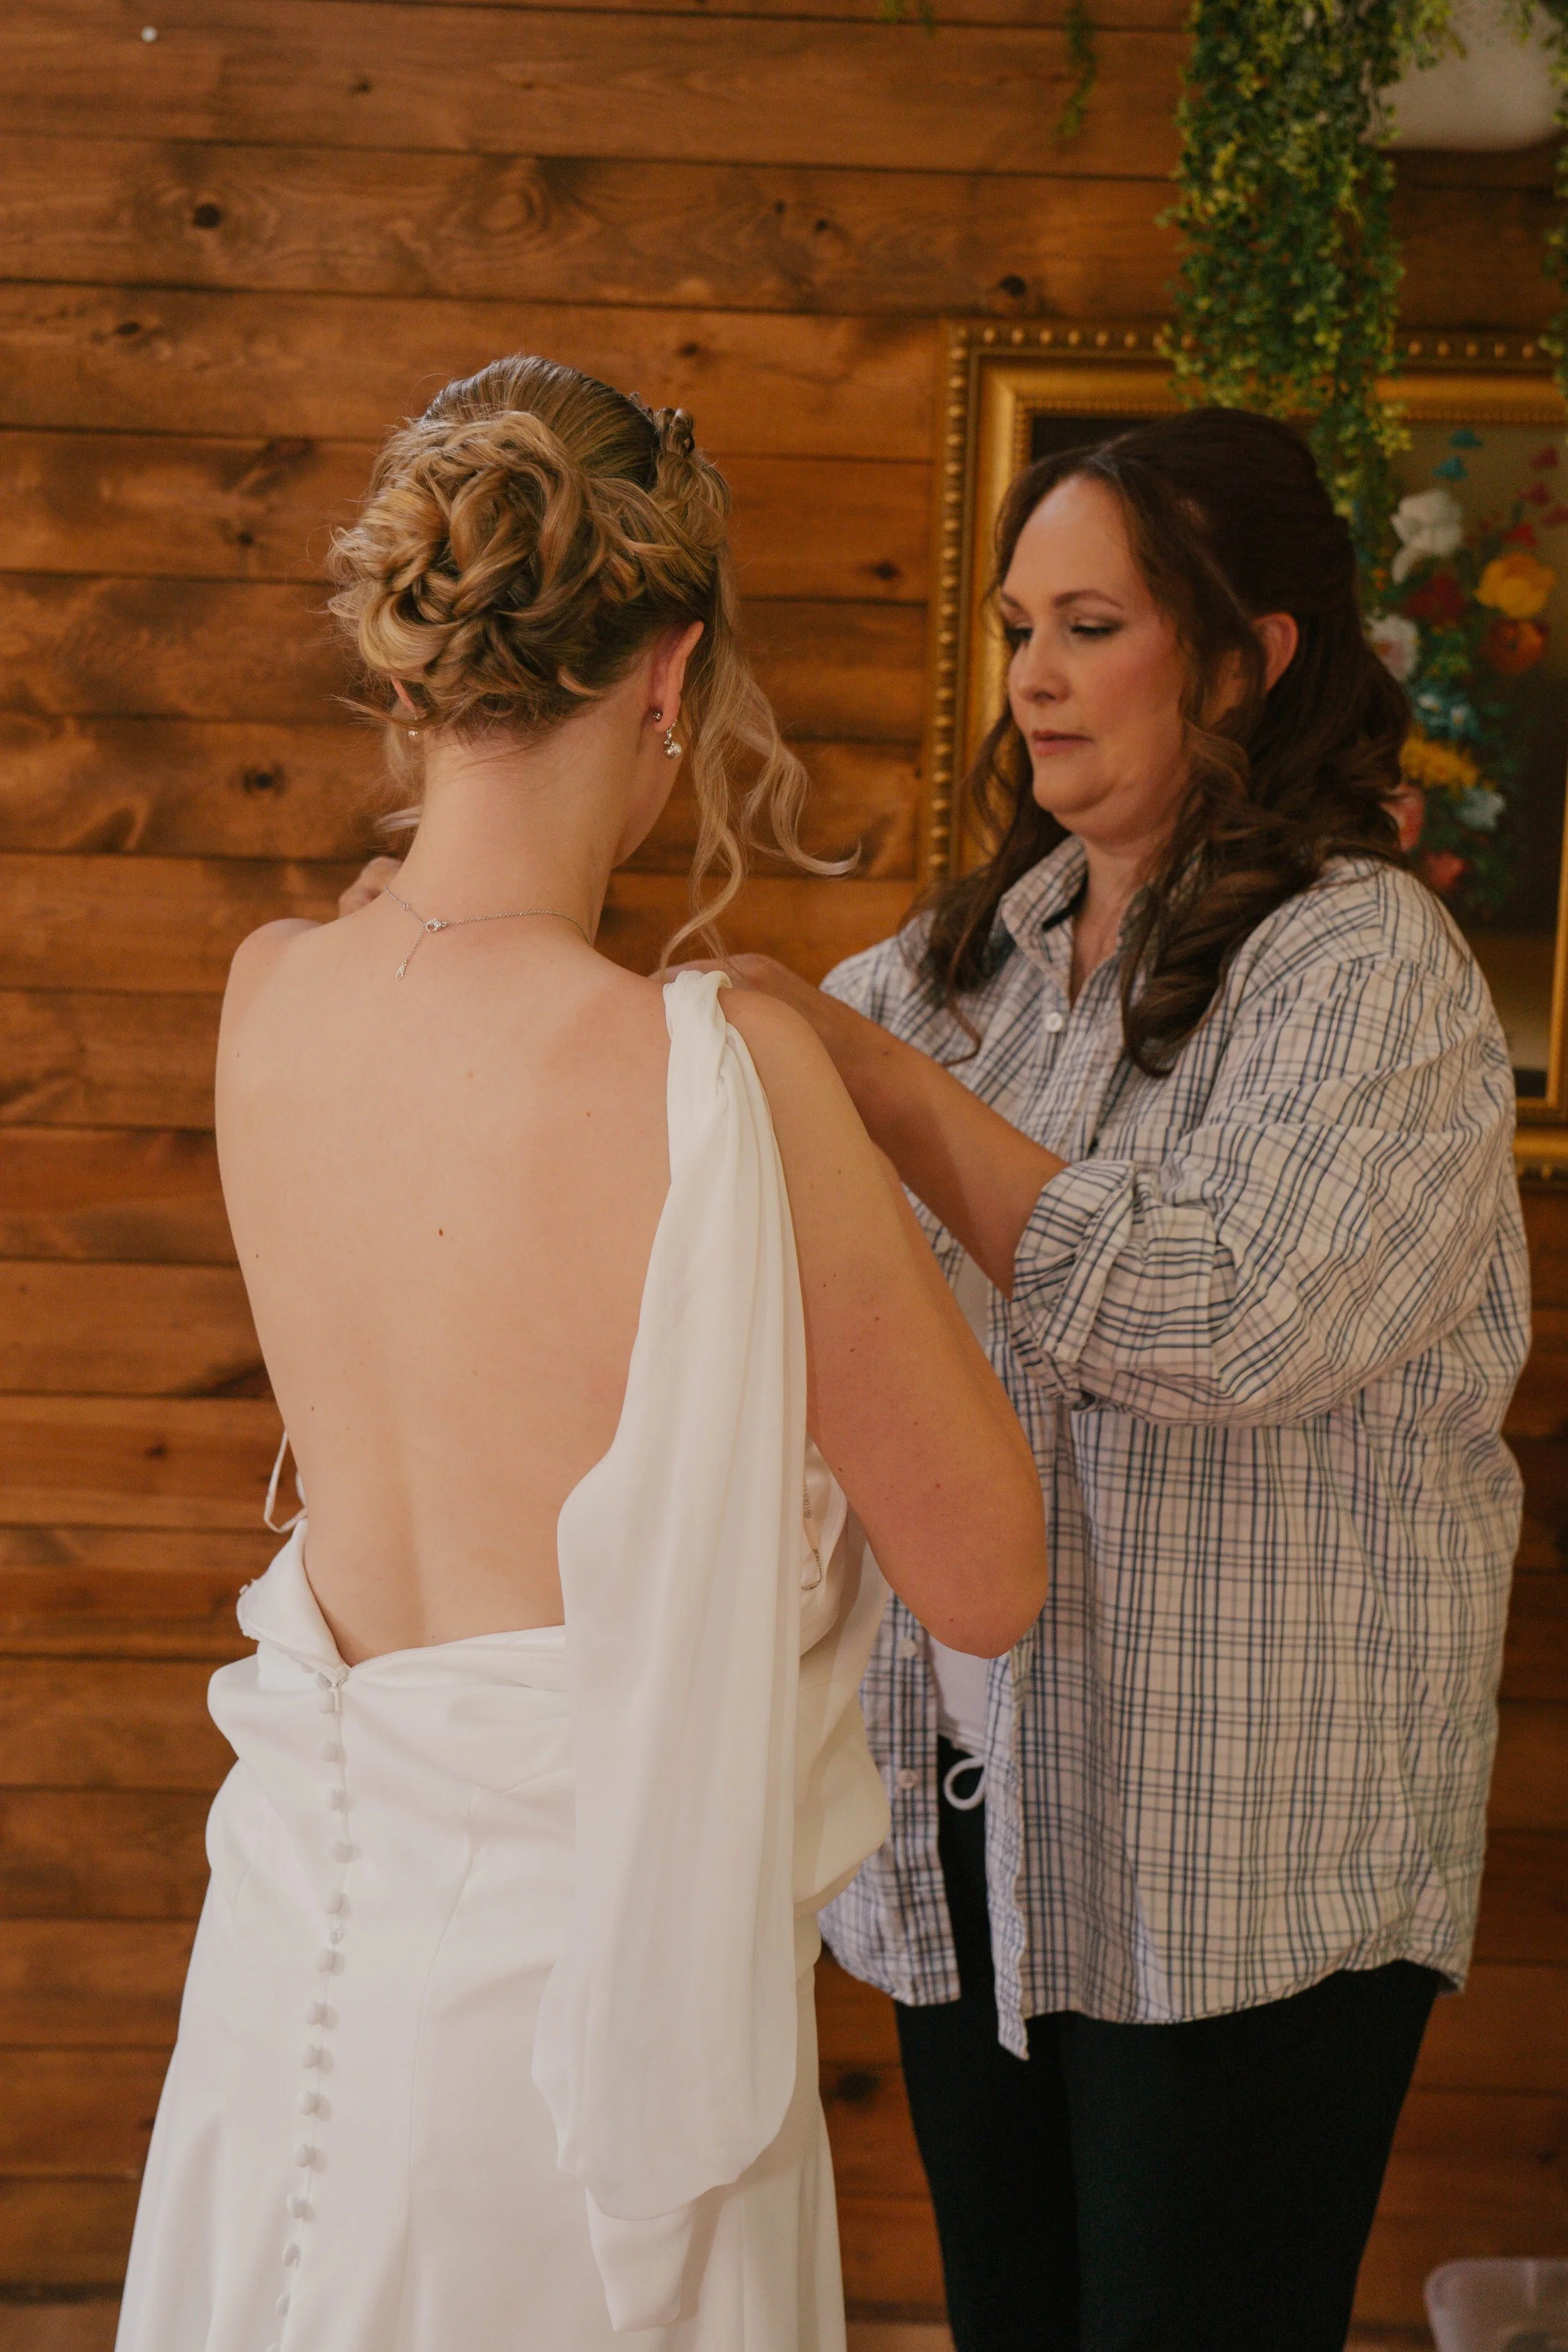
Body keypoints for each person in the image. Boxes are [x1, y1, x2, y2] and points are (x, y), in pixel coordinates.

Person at [115, 356, 1049, 2352]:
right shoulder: (726, 1075)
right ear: (669, 675)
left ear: (418, 659)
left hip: (287, 1981)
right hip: (582, 2031)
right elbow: (985, 1571)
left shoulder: (269, 995)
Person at [688, 411, 1531, 2349]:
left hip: (1239, 1860)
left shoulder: (1366, 969)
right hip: (970, 1820)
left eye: (1089, 626)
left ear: (1243, 658)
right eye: (1015, 630)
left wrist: (887, 1095)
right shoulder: (957, 967)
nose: (1032, 679)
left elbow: (1219, 1319)